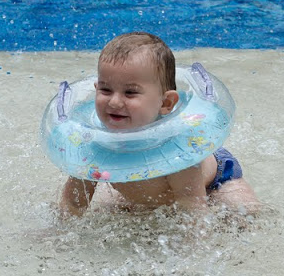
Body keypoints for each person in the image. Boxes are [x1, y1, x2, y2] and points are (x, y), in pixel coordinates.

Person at [59, 32, 258, 217]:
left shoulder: (180, 151)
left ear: (165, 103)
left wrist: (192, 249)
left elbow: (193, 210)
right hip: (151, 189)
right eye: (105, 90)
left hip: (217, 182)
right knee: (110, 209)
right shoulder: (92, 145)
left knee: (243, 212)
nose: (114, 102)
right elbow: (74, 203)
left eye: (130, 93)